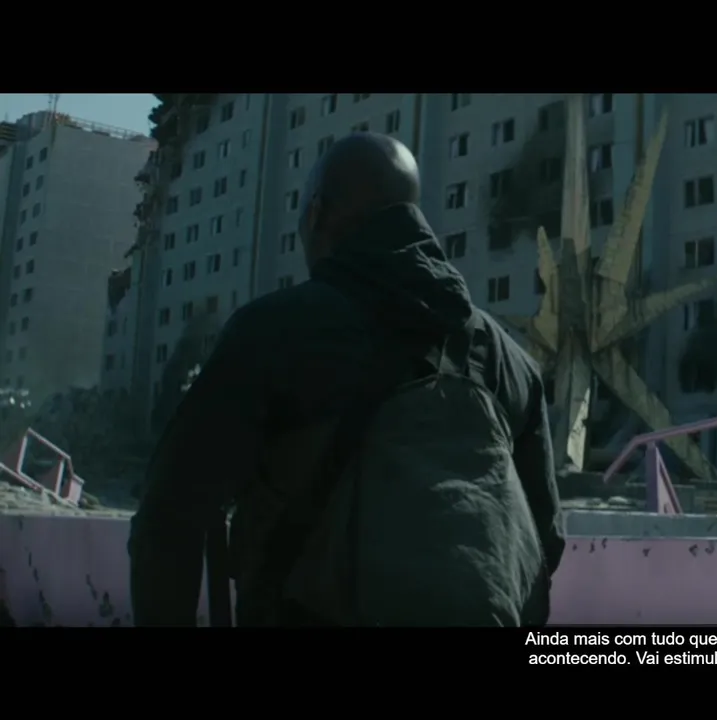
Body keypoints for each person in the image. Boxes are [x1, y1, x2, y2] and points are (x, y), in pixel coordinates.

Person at [129, 133, 564, 627]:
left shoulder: (275, 331)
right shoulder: (508, 361)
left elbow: (170, 516)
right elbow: (543, 541)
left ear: (316, 214)